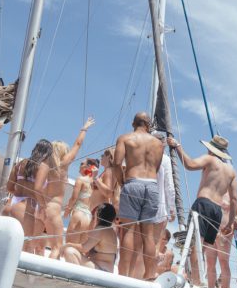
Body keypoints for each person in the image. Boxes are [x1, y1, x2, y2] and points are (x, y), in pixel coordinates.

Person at [167, 134, 237, 288]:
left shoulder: (210, 160)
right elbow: (234, 200)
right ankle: (198, 281)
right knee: (203, 249)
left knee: (194, 246)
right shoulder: (231, 171)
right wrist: (231, 222)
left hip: (204, 204)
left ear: (211, 149)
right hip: (217, 211)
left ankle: (197, 282)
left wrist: (177, 146)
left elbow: (190, 164)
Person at [113, 111, 164, 279]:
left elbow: (117, 163)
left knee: (127, 231)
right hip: (152, 186)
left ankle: (123, 276)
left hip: (133, 182)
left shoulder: (125, 138)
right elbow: (156, 168)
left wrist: (122, 183)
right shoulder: (158, 144)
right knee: (148, 235)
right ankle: (150, 275)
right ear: (148, 126)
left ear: (133, 123)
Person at [43, 117, 96, 259]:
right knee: (57, 247)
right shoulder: (63, 165)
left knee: (37, 244)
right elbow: (78, 144)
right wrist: (84, 128)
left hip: (41, 206)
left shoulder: (45, 165)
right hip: (54, 208)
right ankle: (48, 277)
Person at [4, 139, 53, 253]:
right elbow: (37, 188)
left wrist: (18, 194)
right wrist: (43, 206)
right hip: (26, 208)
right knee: (25, 248)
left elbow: (9, 186)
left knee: (7, 244)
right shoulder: (43, 166)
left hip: (11, 204)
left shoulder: (21, 163)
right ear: (47, 154)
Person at [63, 203, 118, 273]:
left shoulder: (100, 230)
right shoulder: (111, 232)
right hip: (104, 270)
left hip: (100, 270)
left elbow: (84, 249)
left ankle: (76, 278)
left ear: (98, 215)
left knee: (69, 251)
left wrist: (68, 244)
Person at [150, 130, 176, 246]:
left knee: (137, 243)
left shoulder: (142, 155)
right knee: (154, 245)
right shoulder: (165, 159)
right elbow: (169, 185)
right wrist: (171, 208)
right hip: (158, 207)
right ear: (163, 144)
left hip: (140, 202)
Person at [64, 158, 99, 244]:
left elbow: (73, 198)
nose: (80, 165)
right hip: (88, 217)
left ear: (89, 167)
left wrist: (67, 210)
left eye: (82, 163)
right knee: (78, 250)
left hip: (78, 213)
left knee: (68, 246)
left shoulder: (81, 179)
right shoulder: (96, 184)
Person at [210, 192, 233, 288]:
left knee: (223, 262)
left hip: (224, 232)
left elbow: (236, 216)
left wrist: (229, 231)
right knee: (210, 263)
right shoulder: (212, 192)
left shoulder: (232, 195)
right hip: (210, 230)